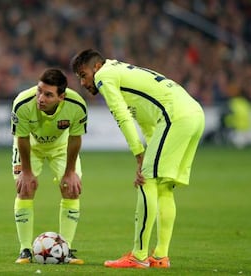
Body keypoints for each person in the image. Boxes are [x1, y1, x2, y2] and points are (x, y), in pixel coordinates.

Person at [71, 49, 205, 269]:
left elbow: (121, 114)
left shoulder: (105, 75)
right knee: (163, 187)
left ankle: (139, 256)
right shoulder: (122, 71)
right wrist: (148, 155)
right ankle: (160, 256)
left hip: (175, 116)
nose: (83, 82)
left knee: (146, 182)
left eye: (83, 74)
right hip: (194, 114)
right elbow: (145, 121)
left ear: (96, 67)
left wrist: (139, 154)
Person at [11, 68, 87, 265]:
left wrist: (70, 172)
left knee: (71, 189)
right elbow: (22, 138)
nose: (40, 98)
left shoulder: (76, 105)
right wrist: (26, 172)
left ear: (61, 97)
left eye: (48, 94)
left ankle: (66, 249)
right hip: (30, 148)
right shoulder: (22, 103)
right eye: (39, 91)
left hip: (61, 148)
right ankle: (25, 249)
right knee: (25, 188)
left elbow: (75, 138)